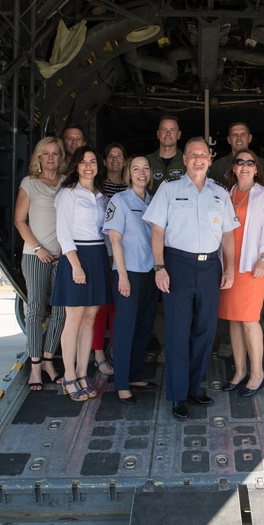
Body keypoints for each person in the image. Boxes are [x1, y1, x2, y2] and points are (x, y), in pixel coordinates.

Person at [144, 137, 237, 420]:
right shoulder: (169, 190)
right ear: (184, 160)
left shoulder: (220, 193)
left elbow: (228, 235)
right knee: (176, 333)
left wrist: (230, 268)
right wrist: (159, 267)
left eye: (203, 155)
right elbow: (157, 231)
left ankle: (194, 387)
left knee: (205, 330)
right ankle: (177, 395)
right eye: (193, 154)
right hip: (178, 266)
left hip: (210, 267)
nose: (198, 159)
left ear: (210, 159)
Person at [51, 147, 112, 402]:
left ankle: (82, 372)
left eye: (93, 161)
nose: (89, 166)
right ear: (76, 166)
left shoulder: (101, 196)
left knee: (90, 316)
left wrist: (107, 260)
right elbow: (64, 232)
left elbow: (105, 233)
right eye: (83, 162)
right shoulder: (67, 194)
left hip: (97, 255)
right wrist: (75, 265)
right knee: (74, 318)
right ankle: (68, 375)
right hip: (76, 256)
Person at [217, 150, 264, 397]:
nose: (244, 166)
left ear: (256, 168)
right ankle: (240, 371)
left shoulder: (263, 195)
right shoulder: (227, 194)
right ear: (233, 167)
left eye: (249, 163)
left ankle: (257, 373)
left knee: (250, 319)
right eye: (239, 162)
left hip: (252, 266)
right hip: (229, 266)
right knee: (234, 319)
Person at [103, 155, 158, 405]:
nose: (141, 172)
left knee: (144, 325)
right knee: (124, 329)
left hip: (149, 272)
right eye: (136, 169)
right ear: (129, 173)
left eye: (146, 168)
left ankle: (135, 374)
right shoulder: (120, 200)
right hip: (128, 273)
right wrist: (122, 276)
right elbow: (115, 239)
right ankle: (121, 383)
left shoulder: (153, 200)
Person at [13, 135, 67, 390]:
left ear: (61, 157)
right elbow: (19, 220)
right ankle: (35, 366)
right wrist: (38, 248)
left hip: (62, 256)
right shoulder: (30, 183)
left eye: (55, 153)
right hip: (35, 255)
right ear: (38, 157)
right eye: (46, 153)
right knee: (35, 309)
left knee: (61, 311)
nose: (50, 158)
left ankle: (48, 360)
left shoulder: (67, 183)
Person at [91, 142, 128, 376]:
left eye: (119, 156)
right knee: (101, 305)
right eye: (110, 156)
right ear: (104, 162)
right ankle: (98, 354)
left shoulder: (130, 187)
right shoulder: (96, 187)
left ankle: (116, 350)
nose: (115, 160)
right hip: (103, 252)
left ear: (125, 161)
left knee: (118, 306)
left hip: (125, 254)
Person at [208, 122, 264, 187]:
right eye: (234, 135)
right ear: (229, 139)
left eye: (243, 134)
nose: (239, 138)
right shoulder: (217, 167)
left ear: (250, 138)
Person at [148, 115, 187, 193]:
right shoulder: (147, 161)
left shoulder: (187, 161)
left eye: (172, 130)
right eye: (164, 130)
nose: (168, 134)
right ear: (158, 134)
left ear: (179, 135)